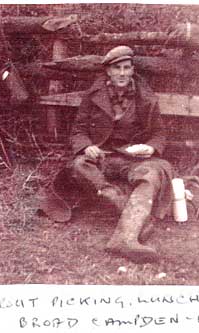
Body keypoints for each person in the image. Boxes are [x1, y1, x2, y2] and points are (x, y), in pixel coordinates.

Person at [70, 45, 174, 264]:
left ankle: (124, 239)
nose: (122, 73)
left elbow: (159, 132)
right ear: (108, 71)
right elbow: (78, 130)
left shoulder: (145, 97)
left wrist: (151, 148)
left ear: (132, 69)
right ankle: (131, 214)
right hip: (103, 157)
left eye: (127, 67)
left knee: (152, 174)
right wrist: (87, 146)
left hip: (132, 158)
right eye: (117, 68)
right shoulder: (94, 95)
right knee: (79, 164)